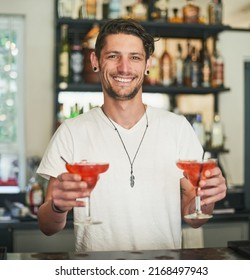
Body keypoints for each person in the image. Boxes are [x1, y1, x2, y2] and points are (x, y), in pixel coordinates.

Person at [37, 18, 226, 252]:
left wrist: (207, 199)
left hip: (162, 270)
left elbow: (194, 219)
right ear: (95, 61)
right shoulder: (71, 132)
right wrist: (57, 206)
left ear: (148, 64)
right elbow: (47, 226)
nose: (124, 68)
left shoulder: (178, 128)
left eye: (135, 57)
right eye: (113, 56)